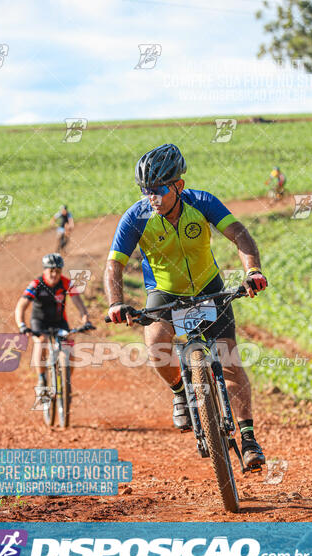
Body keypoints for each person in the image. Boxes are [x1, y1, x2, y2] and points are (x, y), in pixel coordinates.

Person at [104, 143, 268, 469]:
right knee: (155, 345)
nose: (151, 197)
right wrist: (116, 303)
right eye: (145, 190)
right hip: (164, 292)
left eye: (159, 190)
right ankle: (180, 391)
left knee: (229, 358)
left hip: (209, 287)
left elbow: (239, 235)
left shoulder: (202, 202)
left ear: (178, 185)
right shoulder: (136, 217)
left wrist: (253, 271)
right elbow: (114, 266)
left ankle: (248, 437)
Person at [15, 253, 92, 395]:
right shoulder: (36, 284)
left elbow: (79, 303)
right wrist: (22, 325)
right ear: (44, 270)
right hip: (39, 321)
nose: (54, 274)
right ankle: (41, 378)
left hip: (59, 321)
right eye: (51, 270)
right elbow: (21, 305)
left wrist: (85, 319)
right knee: (42, 341)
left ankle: (65, 379)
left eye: (57, 271)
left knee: (69, 347)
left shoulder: (66, 283)